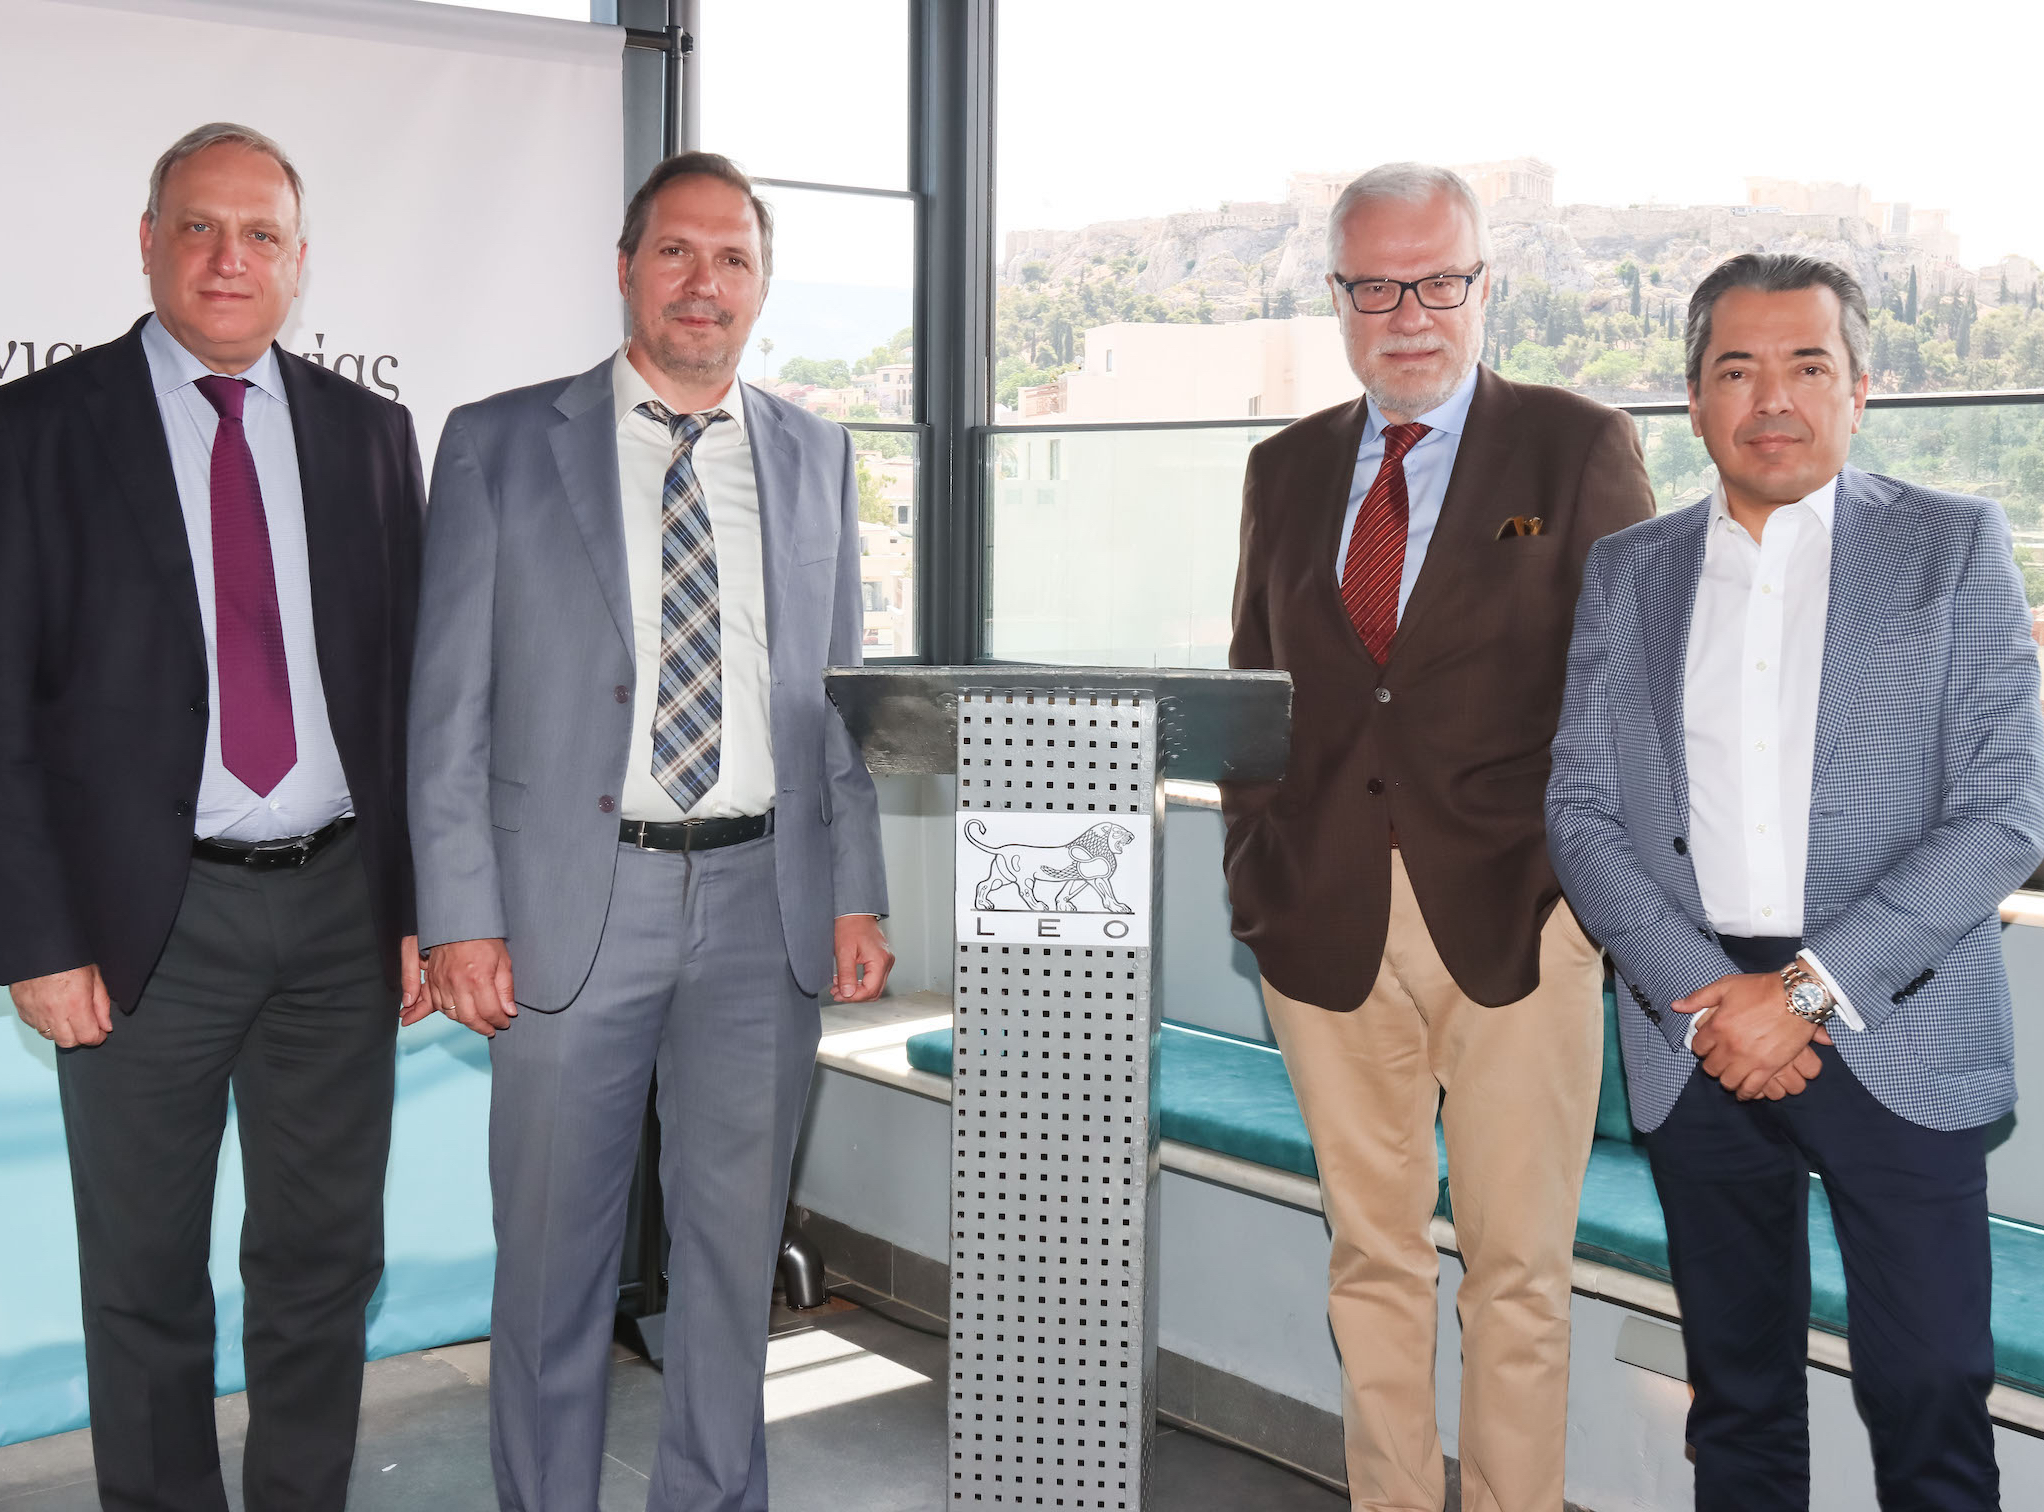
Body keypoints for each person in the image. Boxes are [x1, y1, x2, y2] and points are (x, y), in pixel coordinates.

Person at [408, 150, 893, 1512]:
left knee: (733, 1269)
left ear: (762, 287)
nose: (703, 282)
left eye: (733, 258)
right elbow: (445, 709)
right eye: (676, 251)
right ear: (625, 268)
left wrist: (854, 889)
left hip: (764, 903)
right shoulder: (501, 443)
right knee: (551, 1266)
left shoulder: (813, 452)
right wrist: (459, 916)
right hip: (574, 903)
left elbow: (836, 697)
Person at [1547, 251, 2044, 1509]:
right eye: (1737, 369)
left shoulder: (1953, 545)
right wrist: (1709, 995)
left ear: (1859, 391)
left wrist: (1807, 993)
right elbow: (1581, 810)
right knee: (1737, 1400)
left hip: (1896, 1014)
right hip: (1695, 1023)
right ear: (1694, 401)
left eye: (1807, 365)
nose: (1772, 397)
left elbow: (2005, 810)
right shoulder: (1631, 570)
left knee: (1930, 1393)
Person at [0, 123, 426, 1512]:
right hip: (142, 927)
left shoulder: (371, 435)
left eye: (259, 234)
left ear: (300, 261)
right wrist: (36, 937)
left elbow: (407, 696)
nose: (227, 258)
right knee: (143, 1280)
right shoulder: (36, 430)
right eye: (197, 227)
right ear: (148, 243)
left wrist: (422, 908)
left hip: (339, 915)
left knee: (324, 1266)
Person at [1219, 162, 1654, 1511]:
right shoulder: (1283, 468)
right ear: (1337, 296)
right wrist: (1254, 866)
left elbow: (1632, 697)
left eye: (1438, 281)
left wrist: (1582, 894)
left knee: (1518, 1274)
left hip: (1520, 916)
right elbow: (1252, 687)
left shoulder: (1576, 447)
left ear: (1483, 284)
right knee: (1373, 1261)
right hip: (1322, 917)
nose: (1409, 315)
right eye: (1376, 287)